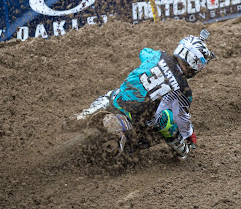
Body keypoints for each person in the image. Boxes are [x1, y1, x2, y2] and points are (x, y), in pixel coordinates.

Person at [77, 29, 217, 159]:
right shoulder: (184, 90)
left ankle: (87, 113)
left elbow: (143, 52)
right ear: (196, 64)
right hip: (139, 121)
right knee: (167, 120)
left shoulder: (159, 55)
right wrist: (189, 135)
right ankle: (182, 150)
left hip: (118, 101)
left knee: (113, 93)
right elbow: (182, 118)